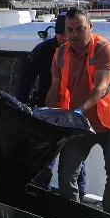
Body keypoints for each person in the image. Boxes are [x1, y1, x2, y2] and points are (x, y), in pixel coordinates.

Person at [46, 8, 110, 214]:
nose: (75, 34)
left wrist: (76, 112)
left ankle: (108, 217)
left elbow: (100, 88)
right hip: (80, 124)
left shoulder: (105, 50)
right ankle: (73, 217)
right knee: (67, 174)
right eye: (70, 30)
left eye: (80, 29)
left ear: (90, 27)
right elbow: (54, 89)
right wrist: (49, 116)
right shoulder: (59, 54)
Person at [17, 20, 86, 195]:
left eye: (68, 34)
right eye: (62, 34)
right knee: (46, 157)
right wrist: (22, 106)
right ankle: (41, 194)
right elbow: (25, 80)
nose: (65, 37)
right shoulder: (42, 51)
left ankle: (81, 195)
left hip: (73, 111)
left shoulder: (80, 49)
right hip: (48, 109)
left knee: (75, 156)